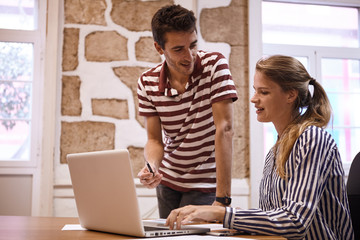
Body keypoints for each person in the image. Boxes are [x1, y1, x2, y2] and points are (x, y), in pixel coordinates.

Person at [165, 55, 355, 239]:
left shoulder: (312, 139)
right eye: (255, 90)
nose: (253, 99)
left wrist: (221, 214)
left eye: (263, 92)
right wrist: (225, 220)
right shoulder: (275, 151)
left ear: (290, 95)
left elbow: (295, 221)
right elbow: (273, 216)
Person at [136, 4, 238, 219]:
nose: (189, 56)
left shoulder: (214, 66)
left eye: (192, 45)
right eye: (178, 49)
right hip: (168, 182)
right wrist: (152, 167)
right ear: (159, 48)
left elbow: (225, 129)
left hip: (206, 185)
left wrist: (223, 199)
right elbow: (154, 140)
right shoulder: (147, 82)